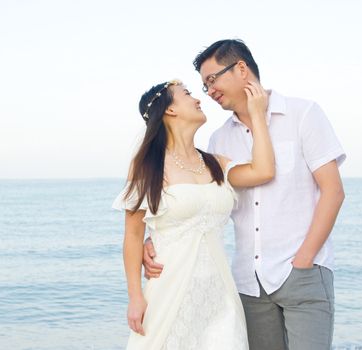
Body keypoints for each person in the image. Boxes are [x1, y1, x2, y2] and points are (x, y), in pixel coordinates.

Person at [144, 39, 346, 350]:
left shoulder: (303, 113)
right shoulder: (219, 140)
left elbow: (333, 191)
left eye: (212, 79)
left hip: (302, 273)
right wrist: (153, 238)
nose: (209, 91)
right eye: (203, 85)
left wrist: (305, 259)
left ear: (241, 69)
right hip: (248, 285)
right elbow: (200, 205)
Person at [113, 78, 275, 349]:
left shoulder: (215, 163)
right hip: (170, 290)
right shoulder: (147, 166)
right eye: (187, 94)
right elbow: (132, 235)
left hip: (219, 294)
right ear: (170, 110)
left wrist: (257, 115)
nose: (198, 99)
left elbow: (264, 171)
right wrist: (135, 297)